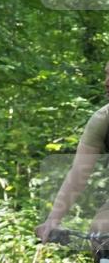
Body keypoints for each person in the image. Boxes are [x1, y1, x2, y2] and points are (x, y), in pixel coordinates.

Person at [36, 60, 109, 245]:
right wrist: (54, 219)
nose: (106, 82)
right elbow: (79, 173)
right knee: (101, 229)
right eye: (106, 74)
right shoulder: (103, 120)